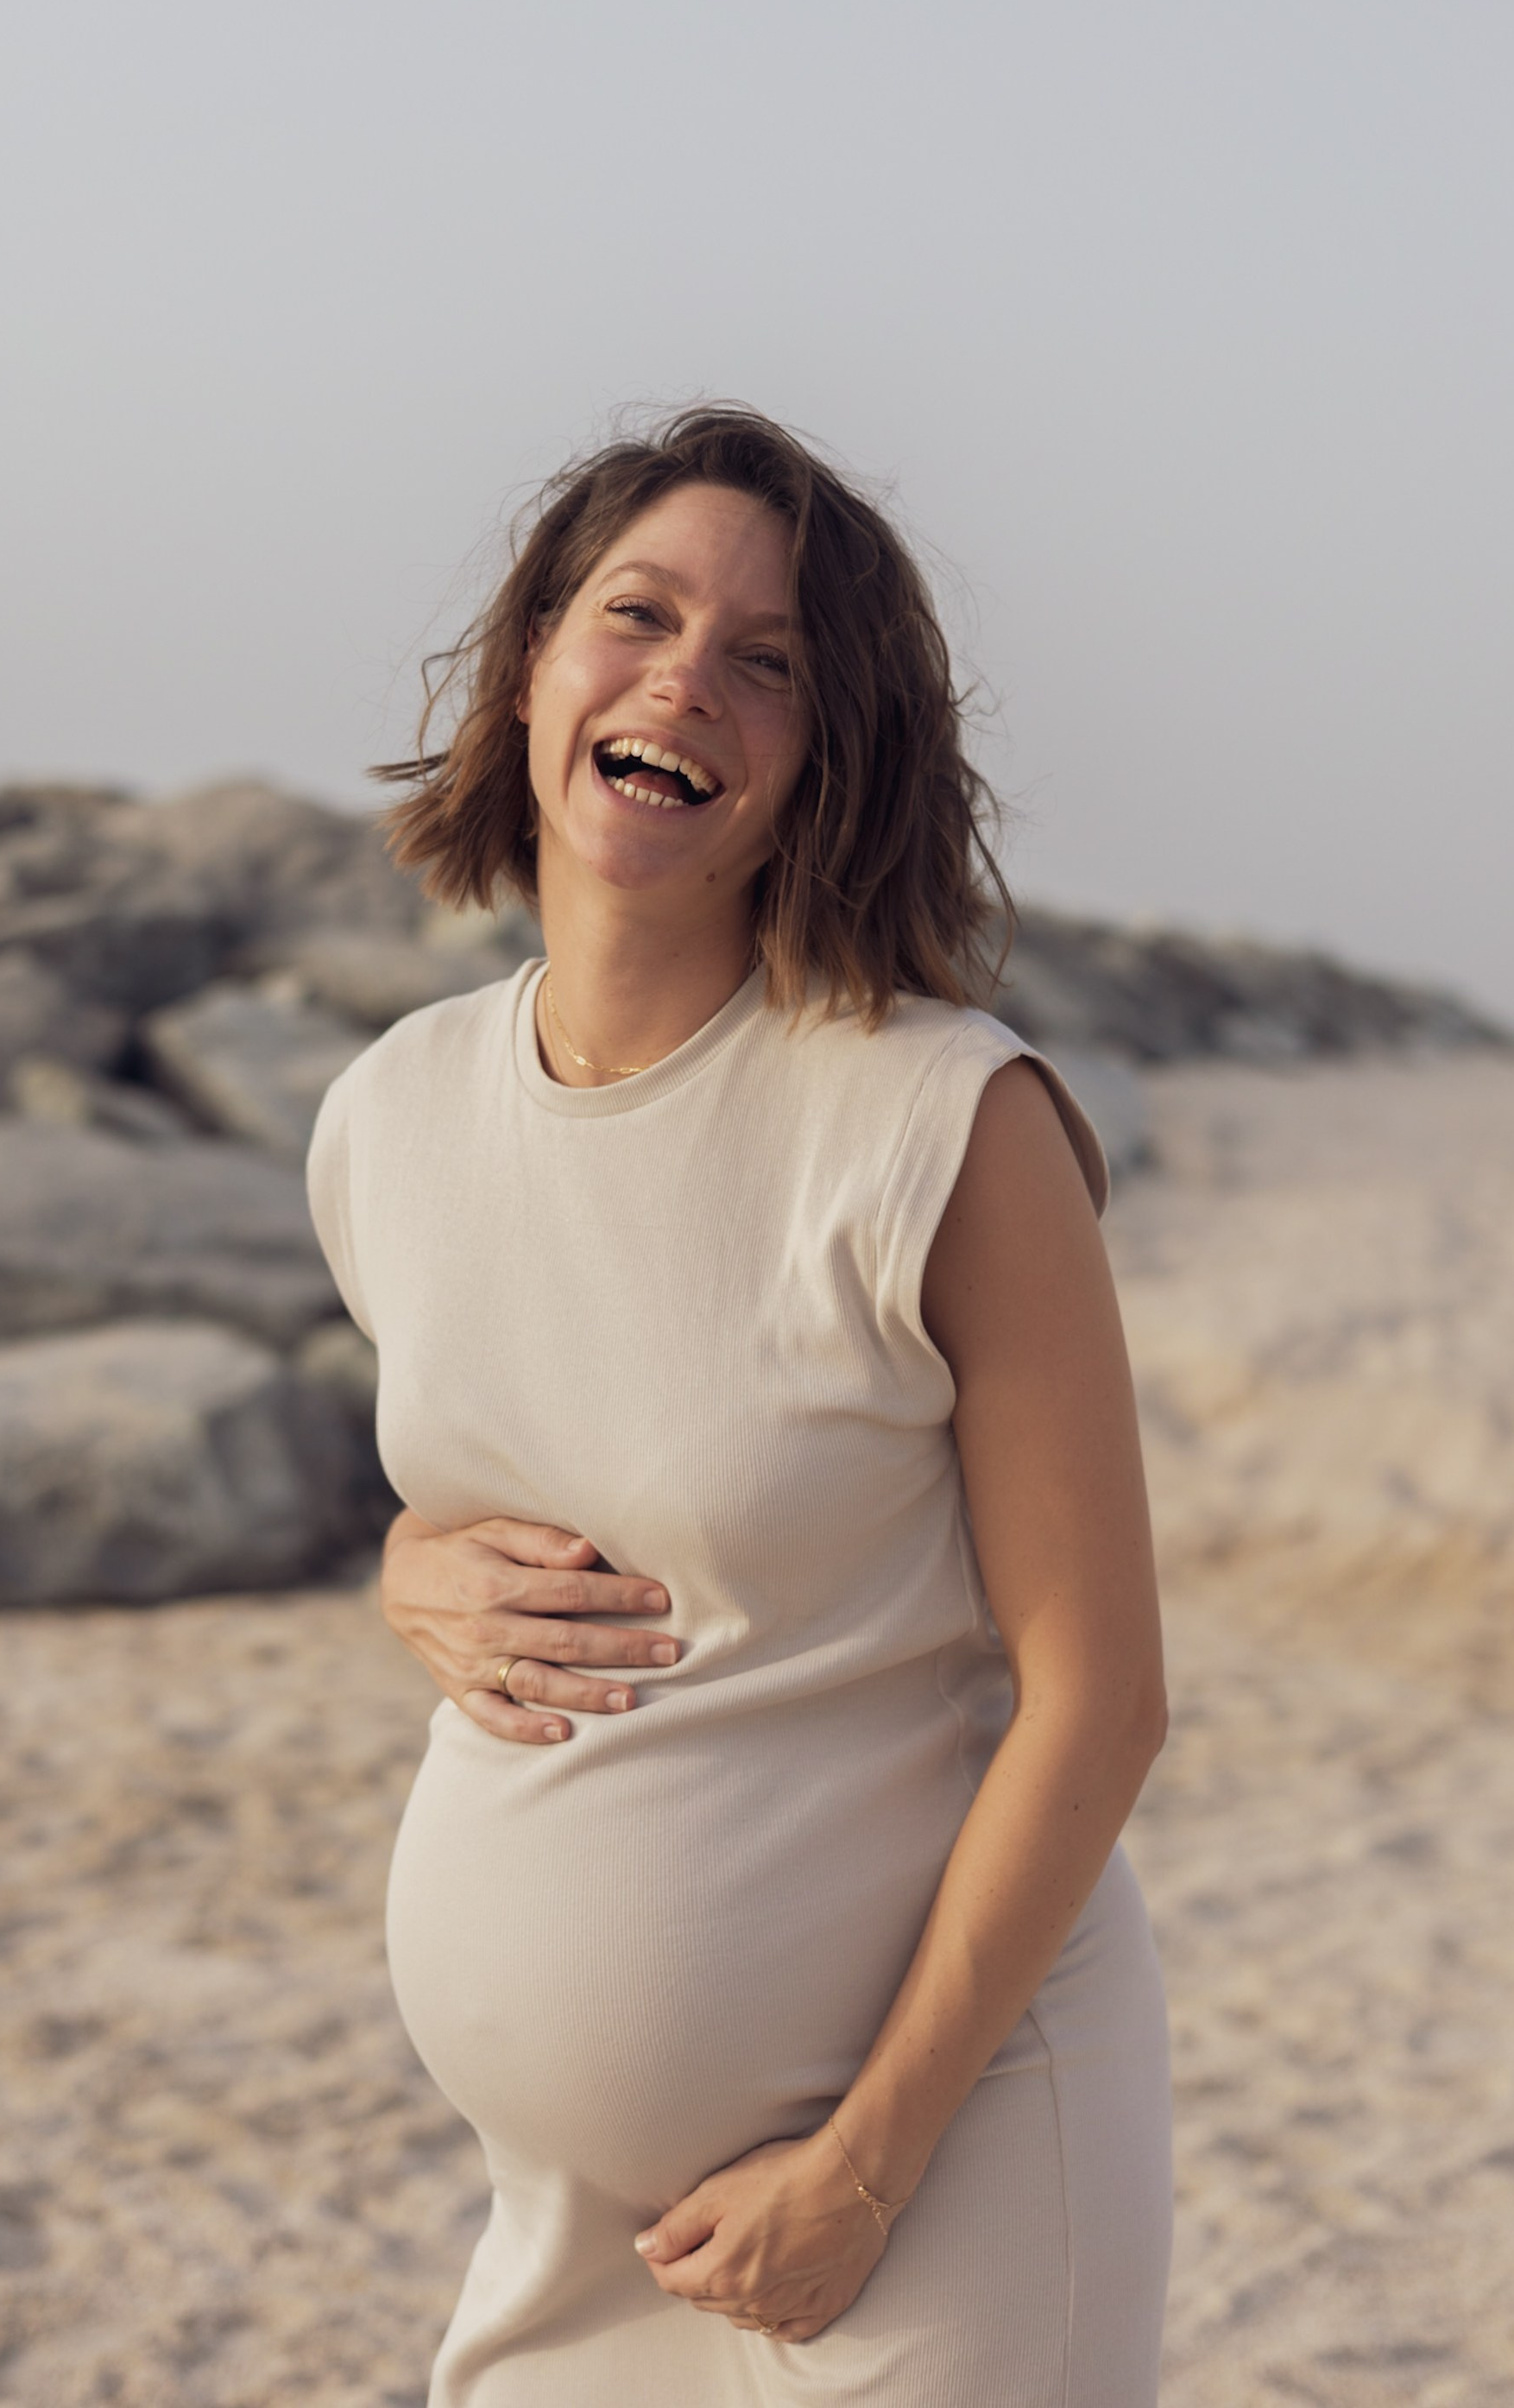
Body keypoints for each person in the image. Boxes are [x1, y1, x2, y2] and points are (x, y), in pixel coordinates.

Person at [306, 404, 1172, 2406]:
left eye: (767, 660)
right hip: (568, 2211)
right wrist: (407, 1569)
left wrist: (864, 2170)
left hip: (936, 2152)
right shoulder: (388, 1117)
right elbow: (553, 1462)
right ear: (535, 661)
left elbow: (1101, 1696)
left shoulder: (945, 1125)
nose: (686, 679)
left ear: (827, 757)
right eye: (638, 615)